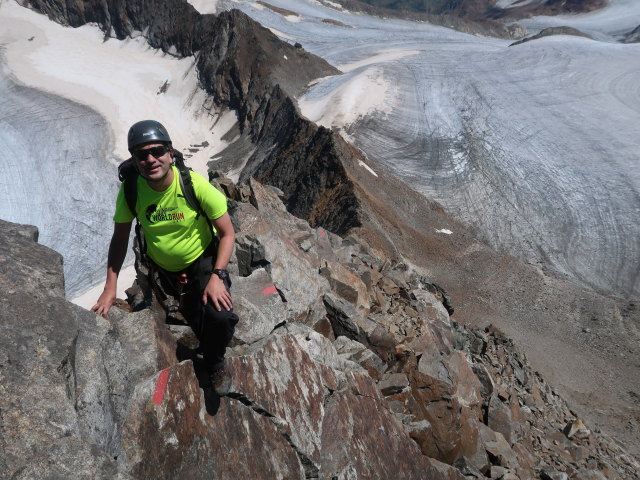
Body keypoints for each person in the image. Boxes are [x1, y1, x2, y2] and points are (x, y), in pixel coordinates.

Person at [92, 120, 238, 397]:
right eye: (141, 155)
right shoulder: (132, 189)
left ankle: (216, 362)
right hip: (162, 269)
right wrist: (109, 288)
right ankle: (203, 342)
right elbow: (120, 238)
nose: (150, 159)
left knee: (219, 316)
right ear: (134, 160)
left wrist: (217, 276)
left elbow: (228, 233)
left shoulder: (193, 185)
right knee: (194, 315)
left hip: (202, 260)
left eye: (157, 151)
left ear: (170, 153)